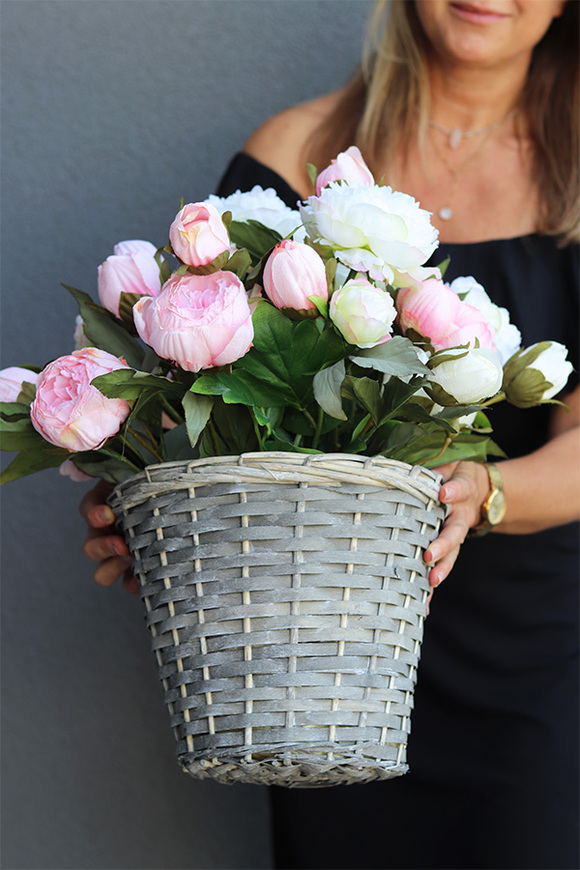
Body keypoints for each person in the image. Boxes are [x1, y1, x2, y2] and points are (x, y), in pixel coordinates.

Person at [81, 1, 579, 867]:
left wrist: (483, 489)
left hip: (535, 676)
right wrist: (157, 506)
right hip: (316, 666)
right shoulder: (290, 153)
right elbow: (204, 384)